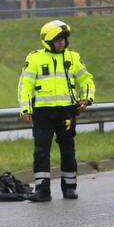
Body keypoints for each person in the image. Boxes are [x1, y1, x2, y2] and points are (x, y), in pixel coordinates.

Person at [18, 20, 95, 202]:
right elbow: (25, 86)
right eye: (57, 39)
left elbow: (87, 80)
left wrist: (87, 98)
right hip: (42, 113)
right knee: (41, 151)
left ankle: (69, 188)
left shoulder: (73, 57)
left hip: (66, 112)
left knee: (68, 150)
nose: (61, 42)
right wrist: (25, 109)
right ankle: (42, 191)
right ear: (48, 41)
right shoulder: (35, 58)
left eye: (64, 38)